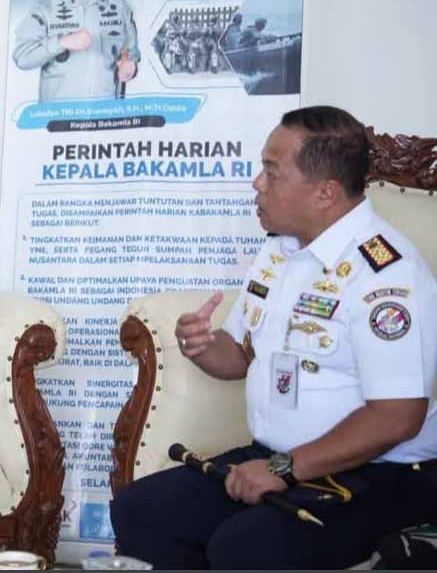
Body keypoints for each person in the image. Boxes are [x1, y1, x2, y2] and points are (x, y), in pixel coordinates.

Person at [109, 105, 437, 568]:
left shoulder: (386, 275)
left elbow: (397, 417)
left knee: (246, 545)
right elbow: (238, 357)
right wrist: (203, 346)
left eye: (272, 172)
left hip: (379, 472)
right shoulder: (279, 251)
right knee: (142, 510)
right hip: (277, 458)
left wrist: (286, 468)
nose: (257, 183)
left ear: (325, 192)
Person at [13, 0, 139, 102]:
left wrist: (129, 65)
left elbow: (129, 52)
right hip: (60, 113)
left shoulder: (120, 6)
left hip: (104, 112)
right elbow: (22, 58)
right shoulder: (44, 9)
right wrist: (61, 42)